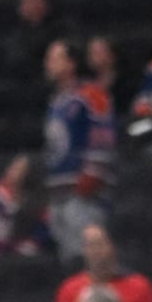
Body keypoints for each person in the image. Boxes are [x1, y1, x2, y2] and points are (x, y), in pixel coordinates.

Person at [44, 38, 116, 265]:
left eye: (54, 58)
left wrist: (90, 178)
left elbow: (103, 139)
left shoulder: (91, 95)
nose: (48, 64)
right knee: (69, 261)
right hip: (59, 193)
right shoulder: (56, 100)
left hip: (84, 195)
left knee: (86, 258)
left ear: (71, 64)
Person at [0, 153, 50, 266]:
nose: (13, 170)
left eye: (20, 169)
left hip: (19, 256)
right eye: (14, 165)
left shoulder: (35, 203)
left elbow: (40, 233)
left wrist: (21, 249)